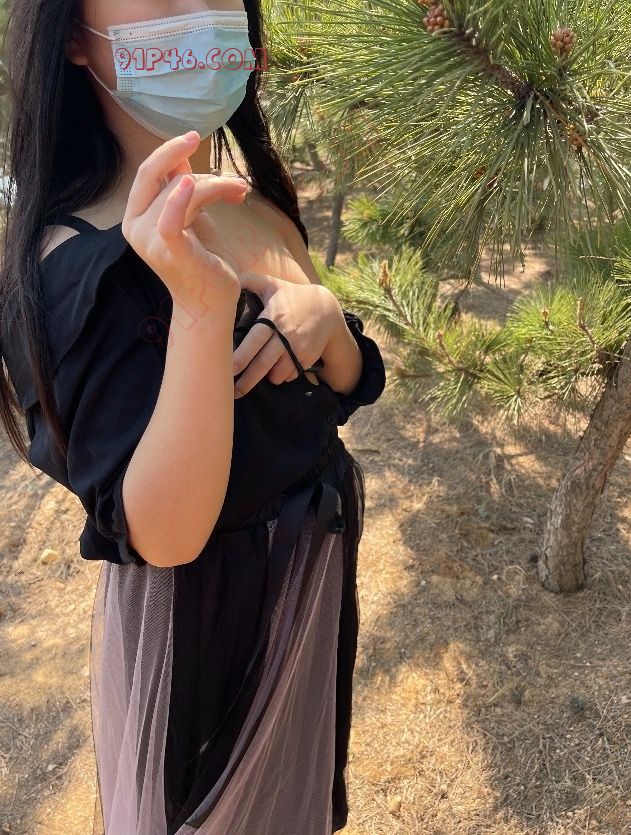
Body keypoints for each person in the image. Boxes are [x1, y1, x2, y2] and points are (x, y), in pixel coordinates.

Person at [0, 2, 386, 834]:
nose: (199, 13)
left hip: (309, 589)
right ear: (73, 37)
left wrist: (328, 324)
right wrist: (203, 311)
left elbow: (341, 392)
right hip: (204, 640)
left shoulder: (257, 206)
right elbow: (165, 534)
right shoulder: (73, 270)